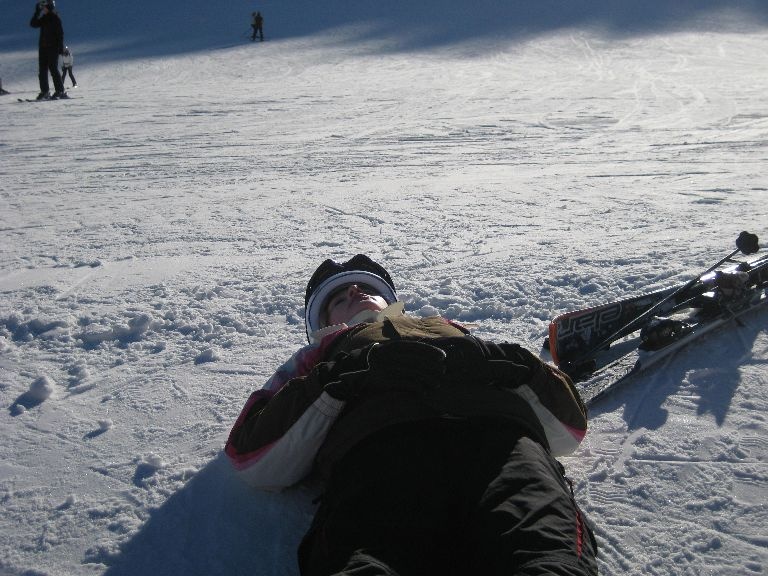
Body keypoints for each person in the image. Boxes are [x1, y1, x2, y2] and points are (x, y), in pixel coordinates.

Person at [226, 254, 598, 576]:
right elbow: (252, 453)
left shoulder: (449, 329)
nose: (354, 292)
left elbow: (569, 426)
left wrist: (509, 364)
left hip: (502, 443)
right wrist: (348, 371)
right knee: (366, 561)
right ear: (323, 324)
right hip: (382, 450)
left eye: (363, 288)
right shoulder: (320, 354)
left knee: (547, 557)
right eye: (339, 297)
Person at [29, 0, 67, 100]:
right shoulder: (44, 18)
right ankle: (45, 92)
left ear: (49, 7)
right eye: (42, 7)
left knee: (53, 69)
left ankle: (60, 91)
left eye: (44, 7)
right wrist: (37, 12)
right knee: (42, 70)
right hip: (43, 48)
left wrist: (60, 47)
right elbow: (33, 24)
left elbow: (60, 34)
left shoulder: (55, 18)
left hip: (52, 48)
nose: (43, 9)